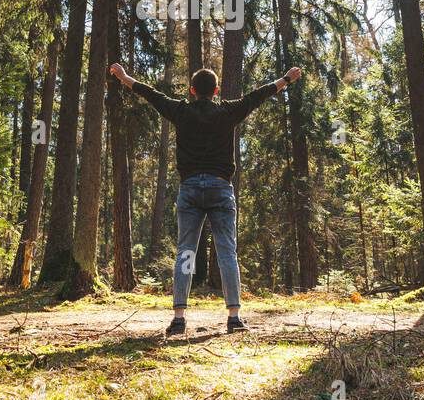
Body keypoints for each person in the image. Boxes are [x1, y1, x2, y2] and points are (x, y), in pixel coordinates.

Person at [106, 61, 304, 336]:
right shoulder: (228, 111)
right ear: (216, 90)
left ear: (191, 91)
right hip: (220, 189)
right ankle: (234, 316)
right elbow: (258, 95)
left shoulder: (180, 110)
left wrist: (124, 77)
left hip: (189, 190)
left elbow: (149, 93)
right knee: (226, 253)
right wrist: (286, 79)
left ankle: (178, 318)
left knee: (186, 253)